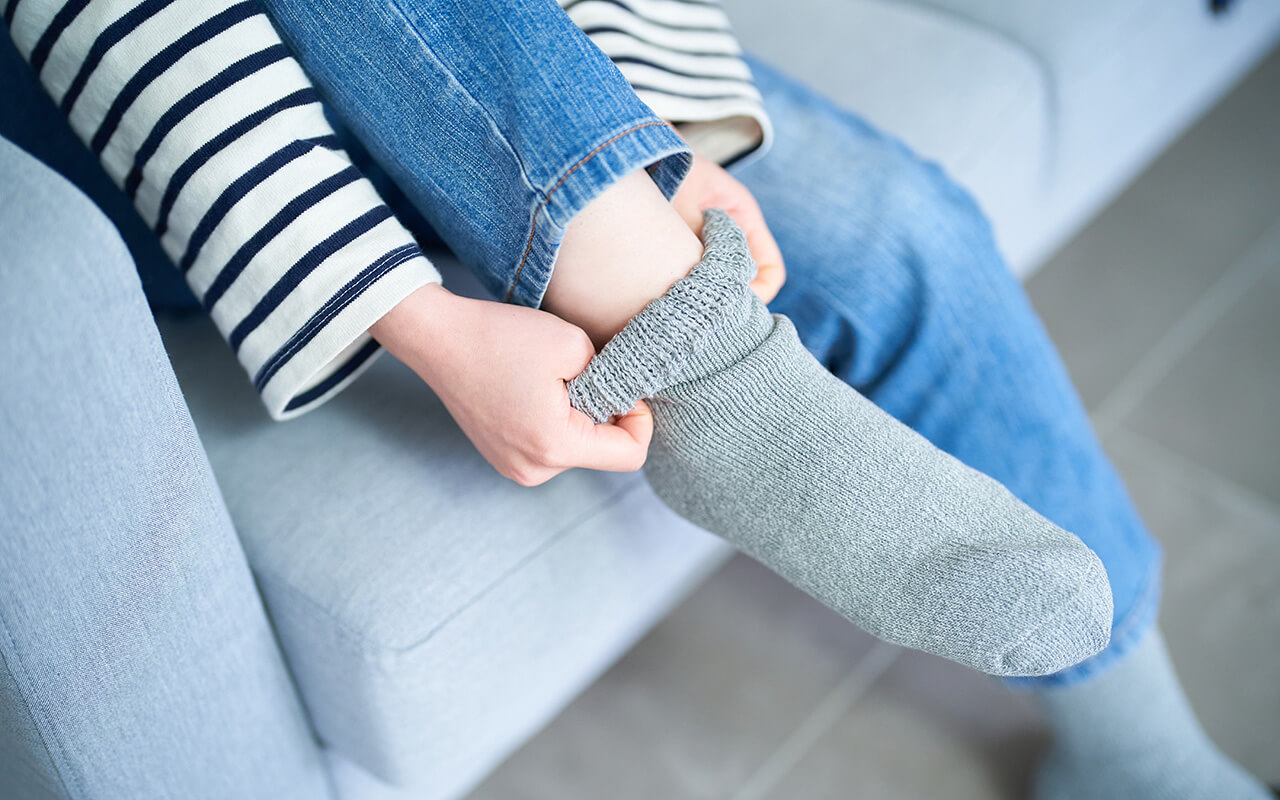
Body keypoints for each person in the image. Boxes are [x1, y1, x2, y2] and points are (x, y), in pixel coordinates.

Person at [0, 0, 1269, 797]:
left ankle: (1138, 753)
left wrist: (663, 120)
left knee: (896, 230)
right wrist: (410, 313)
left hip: (478, 39)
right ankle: (704, 356)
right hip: (134, 101)